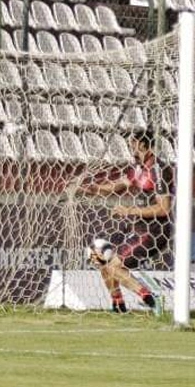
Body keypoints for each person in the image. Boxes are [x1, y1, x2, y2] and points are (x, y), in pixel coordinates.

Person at [77, 130, 172, 315]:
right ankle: (118, 305)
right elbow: (117, 186)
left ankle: (151, 299)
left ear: (144, 145)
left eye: (133, 145)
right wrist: (92, 188)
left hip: (154, 230)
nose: (131, 149)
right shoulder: (138, 168)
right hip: (137, 227)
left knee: (114, 266)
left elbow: (164, 208)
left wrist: (129, 211)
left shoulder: (158, 170)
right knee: (97, 255)